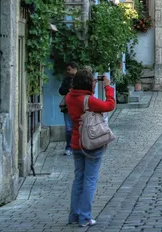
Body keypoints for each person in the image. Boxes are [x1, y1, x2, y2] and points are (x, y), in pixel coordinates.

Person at [65, 68, 116, 227]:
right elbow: (109, 105)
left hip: (76, 143)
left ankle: (74, 215)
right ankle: (85, 217)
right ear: (87, 83)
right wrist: (108, 87)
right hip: (91, 143)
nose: (95, 82)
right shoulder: (88, 99)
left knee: (78, 179)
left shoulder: (69, 97)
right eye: (93, 80)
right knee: (90, 180)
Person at [59, 61, 79, 156]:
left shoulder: (81, 78)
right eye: (67, 69)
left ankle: (79, 146)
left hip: (79, 106)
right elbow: (61, 90)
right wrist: (68, 90)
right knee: (69, 128)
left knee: (79, 127)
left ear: (75, 69)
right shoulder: (67, 79)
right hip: (68, 107)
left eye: (69, 69)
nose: (67, 71)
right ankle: (69, 147)